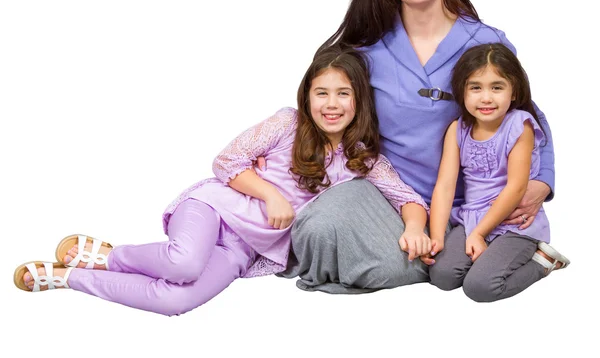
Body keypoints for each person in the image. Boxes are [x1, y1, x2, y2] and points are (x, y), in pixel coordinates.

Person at [13, 46, 431, 315]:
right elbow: (226, 161)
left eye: (343, 94)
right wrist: (269, 193)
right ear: (307, 96)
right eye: (322, 93)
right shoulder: (288, 123)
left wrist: (414, 226)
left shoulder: (362, 159)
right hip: (216, 210)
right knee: (183, 262)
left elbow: (406, 197)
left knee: (177, 299)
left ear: (359, 100)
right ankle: (111, 256)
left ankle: (72, 278)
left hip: (244, 250)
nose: (332, 104)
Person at [277, 0, 556, 293]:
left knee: (401, 270)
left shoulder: (486, 42)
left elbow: (528, 115)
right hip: (391, 196)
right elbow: (328, 109)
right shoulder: (367, 51)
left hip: (473, 199)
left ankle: (455, 252)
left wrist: (542, 181)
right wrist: (279, 150)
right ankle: (429, 255)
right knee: (319, 227)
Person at [426, 43, 569, 302]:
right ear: (462, 91)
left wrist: (480, 234)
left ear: (513, 91)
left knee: (479, 287)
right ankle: (484, 255)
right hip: (472, 218)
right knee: (442, 276)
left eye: (497, 87)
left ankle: (542, 262)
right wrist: (437, 237)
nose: (486, 98)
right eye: (476, 87)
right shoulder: (457, 129)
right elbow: (445, 186)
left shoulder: (519, 125)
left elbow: (516, 187)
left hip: (514, 223)